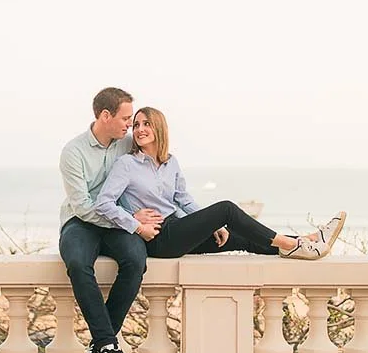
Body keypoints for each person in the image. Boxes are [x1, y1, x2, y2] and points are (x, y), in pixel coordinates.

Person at [95, 107, 346, 260]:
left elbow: (184, 200)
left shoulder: (171, 162)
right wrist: (136, 223)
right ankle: (292, 244)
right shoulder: (126, 165)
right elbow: (103, 203)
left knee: (239, 238)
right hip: (159, 238)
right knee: (226, 209)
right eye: (136, 125)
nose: (139, 129)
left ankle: (308, 241)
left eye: (146, 123)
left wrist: (209, 223)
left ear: (159, 127)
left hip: (178, 228)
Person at [58, 87, 164, 353]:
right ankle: (106, 341)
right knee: (78, 264)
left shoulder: (128, 144)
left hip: (120, 221)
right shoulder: (73, 152)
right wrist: (130, 220)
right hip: (83, 221)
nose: (131, 125)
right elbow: (82, 206)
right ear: (105, 116)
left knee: (135, 260)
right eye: (126, 118)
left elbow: (159, 167)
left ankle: (103, 342)